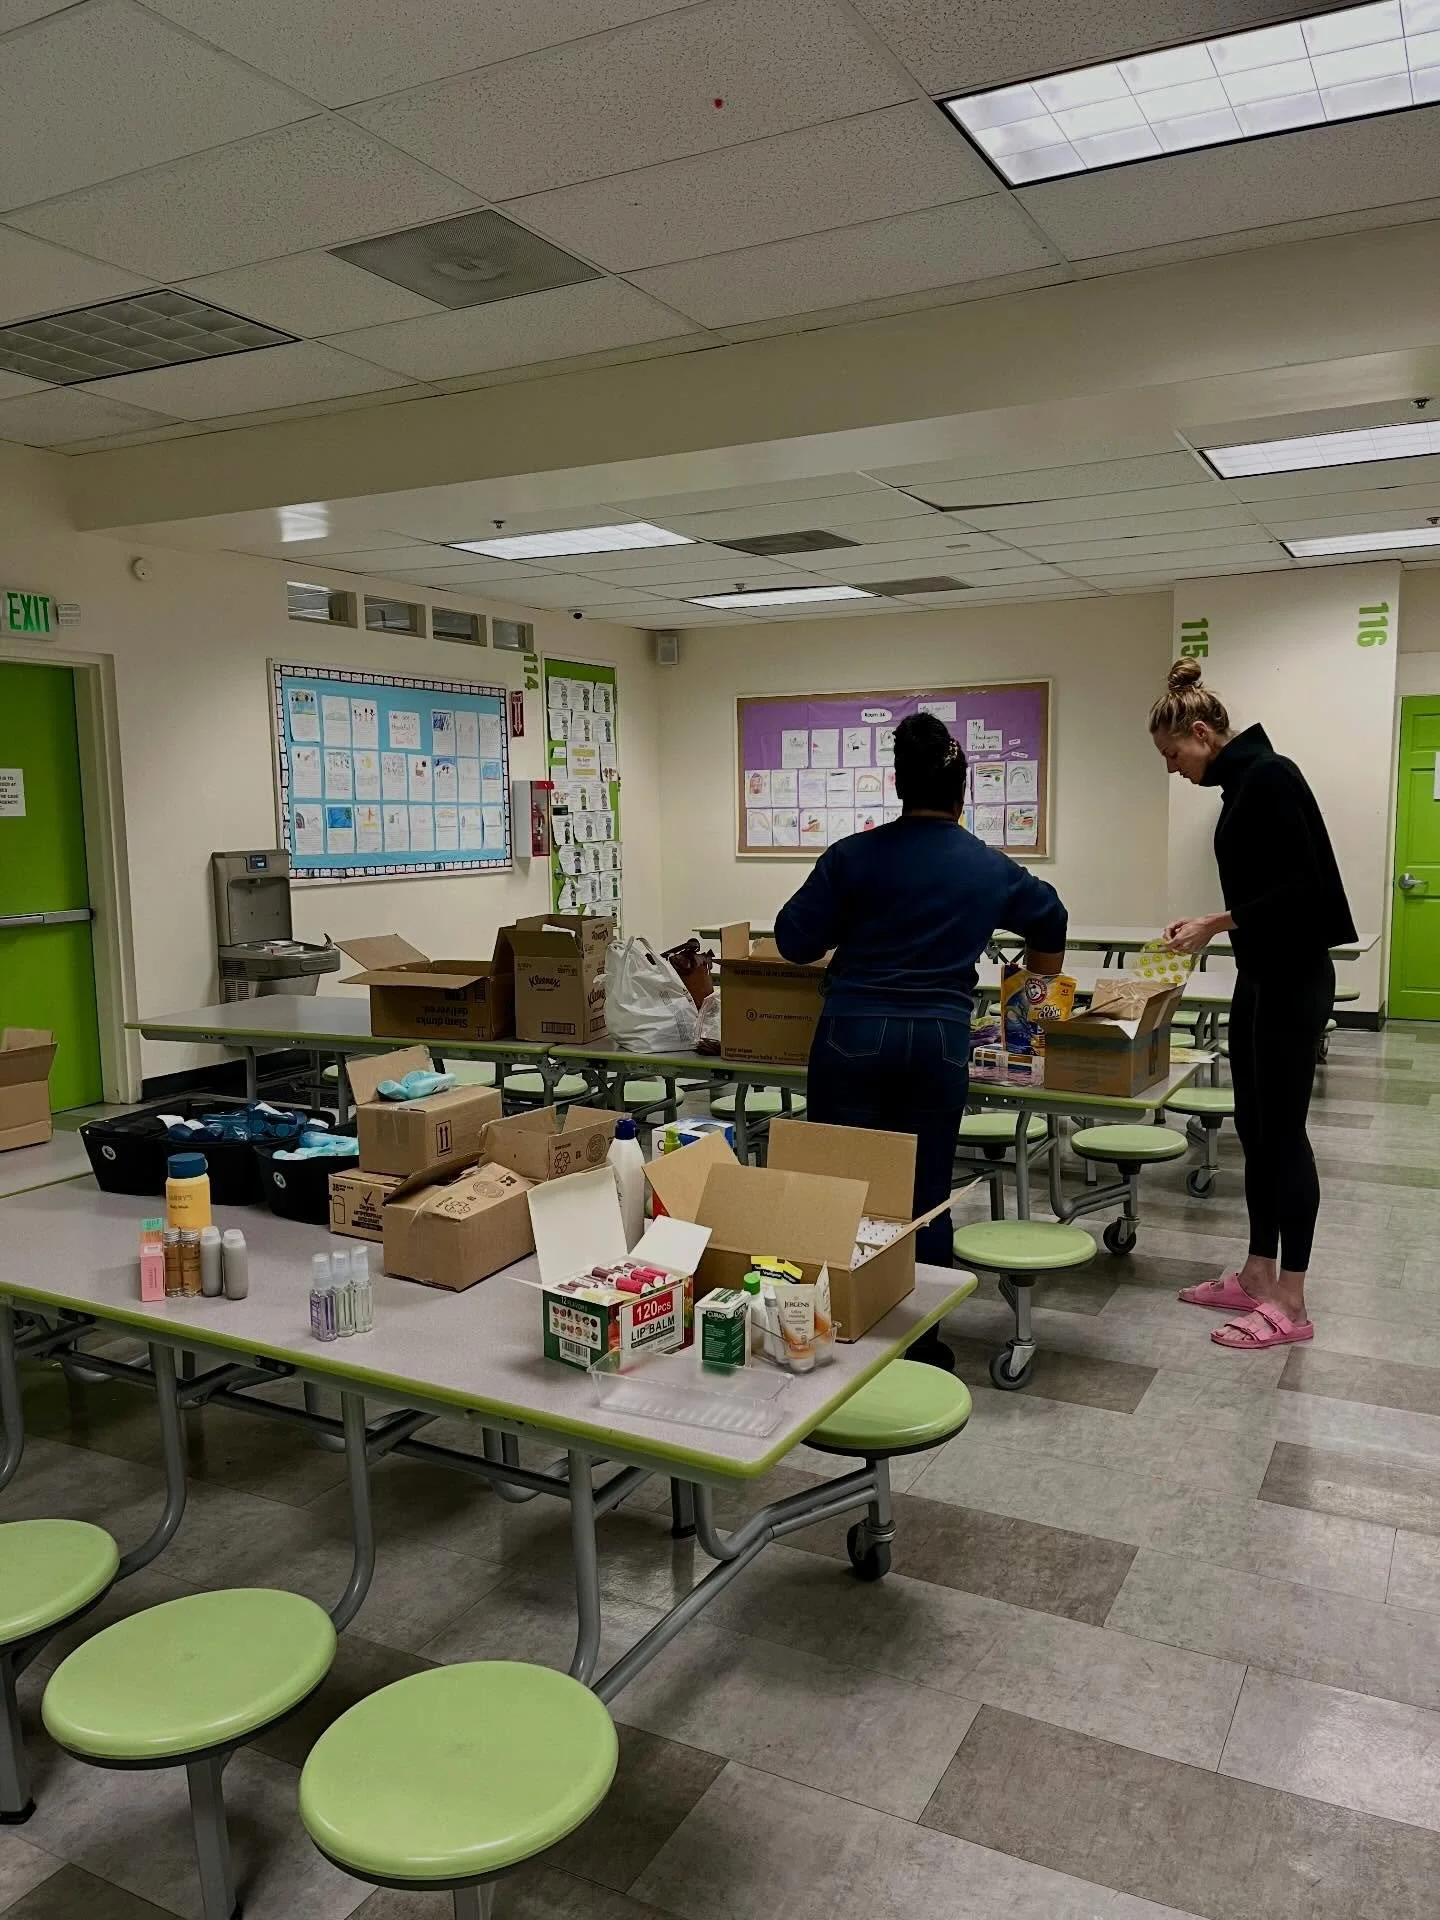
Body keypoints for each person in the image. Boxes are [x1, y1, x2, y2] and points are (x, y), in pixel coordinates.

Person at [774, 712, 1068, 1369]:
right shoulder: (988, 868)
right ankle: (920, 1342)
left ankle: (836, 1330)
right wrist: (1027, 1014)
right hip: (938, 1039)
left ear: (898, 785)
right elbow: (1053, 922)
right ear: (963, 793)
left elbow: (794, 941)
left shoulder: (852, 856)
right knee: (926, 1194)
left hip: (852, 1035)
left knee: (843, 1192)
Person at [1152, 658, 1356, 1350]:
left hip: (1295, 977)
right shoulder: (1242, 784)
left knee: (1285, 1132)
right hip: (1262, 975)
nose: (1173, 769)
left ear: (1204, 733)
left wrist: (1218, 921)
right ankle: (1256, 1272)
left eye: (1173, 754)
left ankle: (1291, 1302)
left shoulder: (1270, 777)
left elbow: (1306, 888)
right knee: (1256, 1125)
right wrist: (1223, 927)